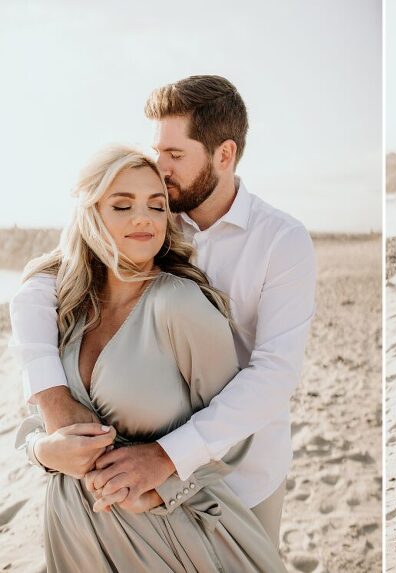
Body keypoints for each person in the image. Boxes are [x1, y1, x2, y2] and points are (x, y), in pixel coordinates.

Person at [10, 75, 316, 551]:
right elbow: (41, 283)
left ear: (224, 155)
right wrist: (52, 402)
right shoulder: (150, 212)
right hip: (140, 460)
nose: (160, 167)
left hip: (242, 463)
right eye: (158, 151)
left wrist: (167, 457)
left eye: (175, 155)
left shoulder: (281, 240)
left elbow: (276, 373)